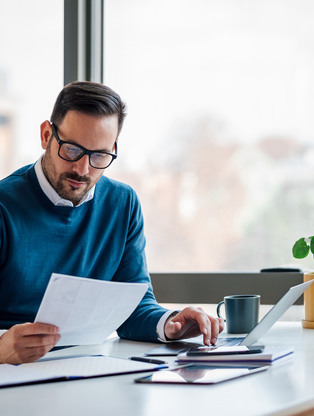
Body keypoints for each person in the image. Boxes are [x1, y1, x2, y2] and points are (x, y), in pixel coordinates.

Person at [0, 81, 224, 364]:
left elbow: (133, 307)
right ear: (46, 135)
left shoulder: (123, 203)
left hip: (90, 368)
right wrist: (1, 347)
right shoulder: (4, 207)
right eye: (71, 150)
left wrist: (171, 324)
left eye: (99, 156)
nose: (83, 169)